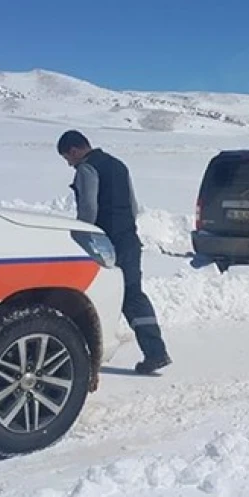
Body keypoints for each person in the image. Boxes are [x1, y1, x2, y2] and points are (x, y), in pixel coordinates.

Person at [57, 130, 171, 375]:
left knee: (94, 293)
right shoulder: (118, 165)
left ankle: (85, 354)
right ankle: (155, 352)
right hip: (128, 238)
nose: (69, 163)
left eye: (68, 158)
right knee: (132, 294)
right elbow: (132, 205)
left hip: (105, 243)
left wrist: (81, 235)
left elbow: (89, 206)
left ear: (75, 150)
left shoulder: (87, 169)